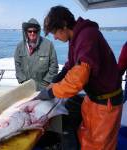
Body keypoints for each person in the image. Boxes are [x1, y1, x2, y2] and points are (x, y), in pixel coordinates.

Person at [35, 5, 123, 150]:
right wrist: (56, 79)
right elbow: (71, 64)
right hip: (93, 97)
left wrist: (51, 92)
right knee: (84, 136)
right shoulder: (77, 37)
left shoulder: (87, 36)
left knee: (99, 145)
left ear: (64, 25)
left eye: (55, 32)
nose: (55, 38)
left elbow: (79, 78)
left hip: (106, 103)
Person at [14, 18, 58, 91]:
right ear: (26, 32)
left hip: (44, 88)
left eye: (35, 31)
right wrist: (23, 82)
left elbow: (54, 66)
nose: (32, 33)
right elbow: (17, 65)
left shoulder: (48, 44)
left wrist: (45, 83)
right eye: (30, 31)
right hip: (26, 88)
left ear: (38, 32)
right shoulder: (20, 46)